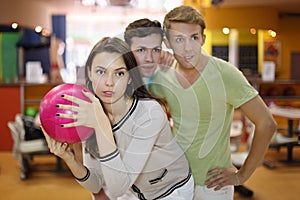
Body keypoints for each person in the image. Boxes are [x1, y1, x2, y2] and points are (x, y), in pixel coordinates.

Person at [41, 37, 194, 200]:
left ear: (129, 78)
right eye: (101, 72)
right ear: (89, 74)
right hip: (135, 192)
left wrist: (100, 125)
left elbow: (117, 188)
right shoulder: (92, 111)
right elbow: (96, 184)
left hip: (172, 192)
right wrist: (70, 159)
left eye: (119, 73)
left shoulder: (149, 113)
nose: (109, 82)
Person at [150, 5, 277, 200]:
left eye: (194, 37)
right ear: (167, 42)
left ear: (203, 39)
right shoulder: (163, 75)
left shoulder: (226, 74)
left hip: (213, 185)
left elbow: (267, 124)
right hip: (175, 180)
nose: (187, 47)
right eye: (179, 39)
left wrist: (242, 175)